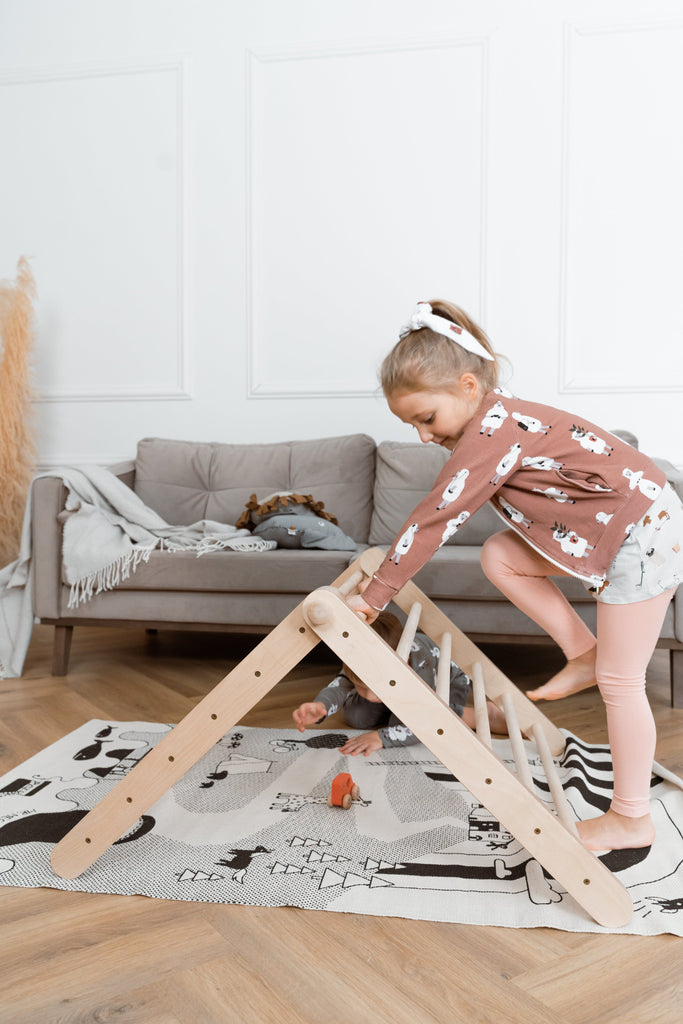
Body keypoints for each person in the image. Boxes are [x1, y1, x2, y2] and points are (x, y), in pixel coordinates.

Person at [346, 299, 683, 852]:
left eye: (426, 419)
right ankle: (583, 653)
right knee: (500, 554)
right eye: (411, 426)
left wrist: (377, 595)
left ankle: (630, 817)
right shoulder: (499, 420)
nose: (423, 437)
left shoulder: (494, 430)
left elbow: (435, 517)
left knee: (623, 686)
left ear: (468, 386)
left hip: (641, 535)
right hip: (623, 526)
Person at [292, 611, 507, 755]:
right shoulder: (359, 660)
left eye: (374, 687)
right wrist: (320, 707)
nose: (368, 695)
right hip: (399, 692)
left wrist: (381, 737)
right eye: (361, 685)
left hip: (445, 684)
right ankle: (393, 710)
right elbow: (340, 686)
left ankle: (483, 715)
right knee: (356, 715)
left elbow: (427, 717)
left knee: (404, 725)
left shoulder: (420, 668)